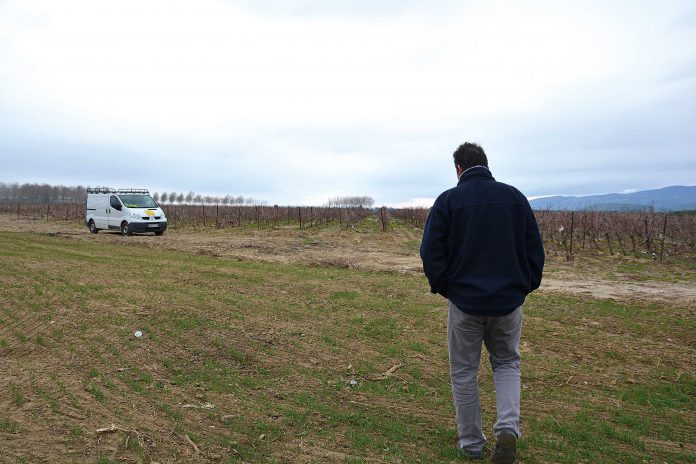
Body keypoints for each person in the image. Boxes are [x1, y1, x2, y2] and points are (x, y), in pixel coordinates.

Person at [420, 142, 544, 463]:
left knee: (463, 372)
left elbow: (431, 252)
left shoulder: (448, 200)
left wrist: (447, 288)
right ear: (486, 164)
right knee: (506, 363)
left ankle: (471, 444)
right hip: (509, 303)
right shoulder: (515, 198)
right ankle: (507, 428)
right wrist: (524, 287)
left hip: (465, 303)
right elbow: (535, 251)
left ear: (458, 169)